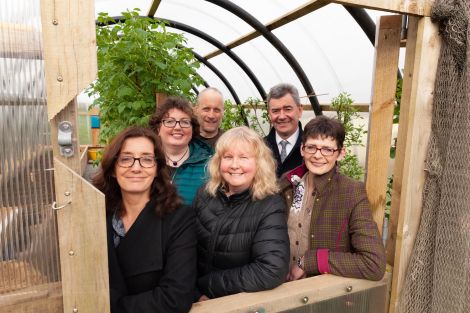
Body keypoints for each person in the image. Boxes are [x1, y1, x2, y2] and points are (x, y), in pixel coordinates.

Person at [93, 127, 196, 313]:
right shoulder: (95, 215)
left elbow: (175, 297)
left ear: (157, 169)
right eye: (126, 159)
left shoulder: (179, 219)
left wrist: (107, 308)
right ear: (113, 169)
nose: (136, 167)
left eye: (147, 159)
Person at [280, 116, 386, 282]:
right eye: (311, 147)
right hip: (280, 286)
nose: (317, 155)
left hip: (320, 293)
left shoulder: (351, 192)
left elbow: (373, 264)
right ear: (302, 149)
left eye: (327, 149)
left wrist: (309, 261)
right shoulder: (287, 184)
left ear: (340, 153)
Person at [194, 126, 290, 300]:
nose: (235, 165)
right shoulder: (205, 194)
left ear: (258, 163)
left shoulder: (269, 204)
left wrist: (207, 286)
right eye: (228, 157)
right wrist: (192, 290)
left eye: (244, 157)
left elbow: (271, 269)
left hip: (236, 302)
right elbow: (186, 248)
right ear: (218, 161)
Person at [149, 96, 213, 205]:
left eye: (184, 122)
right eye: (169, 121)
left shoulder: (209, 165)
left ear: (192, 129)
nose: (178, 127)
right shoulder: (146, 161)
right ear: (158, 128)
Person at [264, 83, 304, 177]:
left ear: (300, 110)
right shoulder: (260, 147)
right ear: (269, 114)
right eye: (275, 111)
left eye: (288, 109)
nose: (281, 116)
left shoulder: (312, 149)